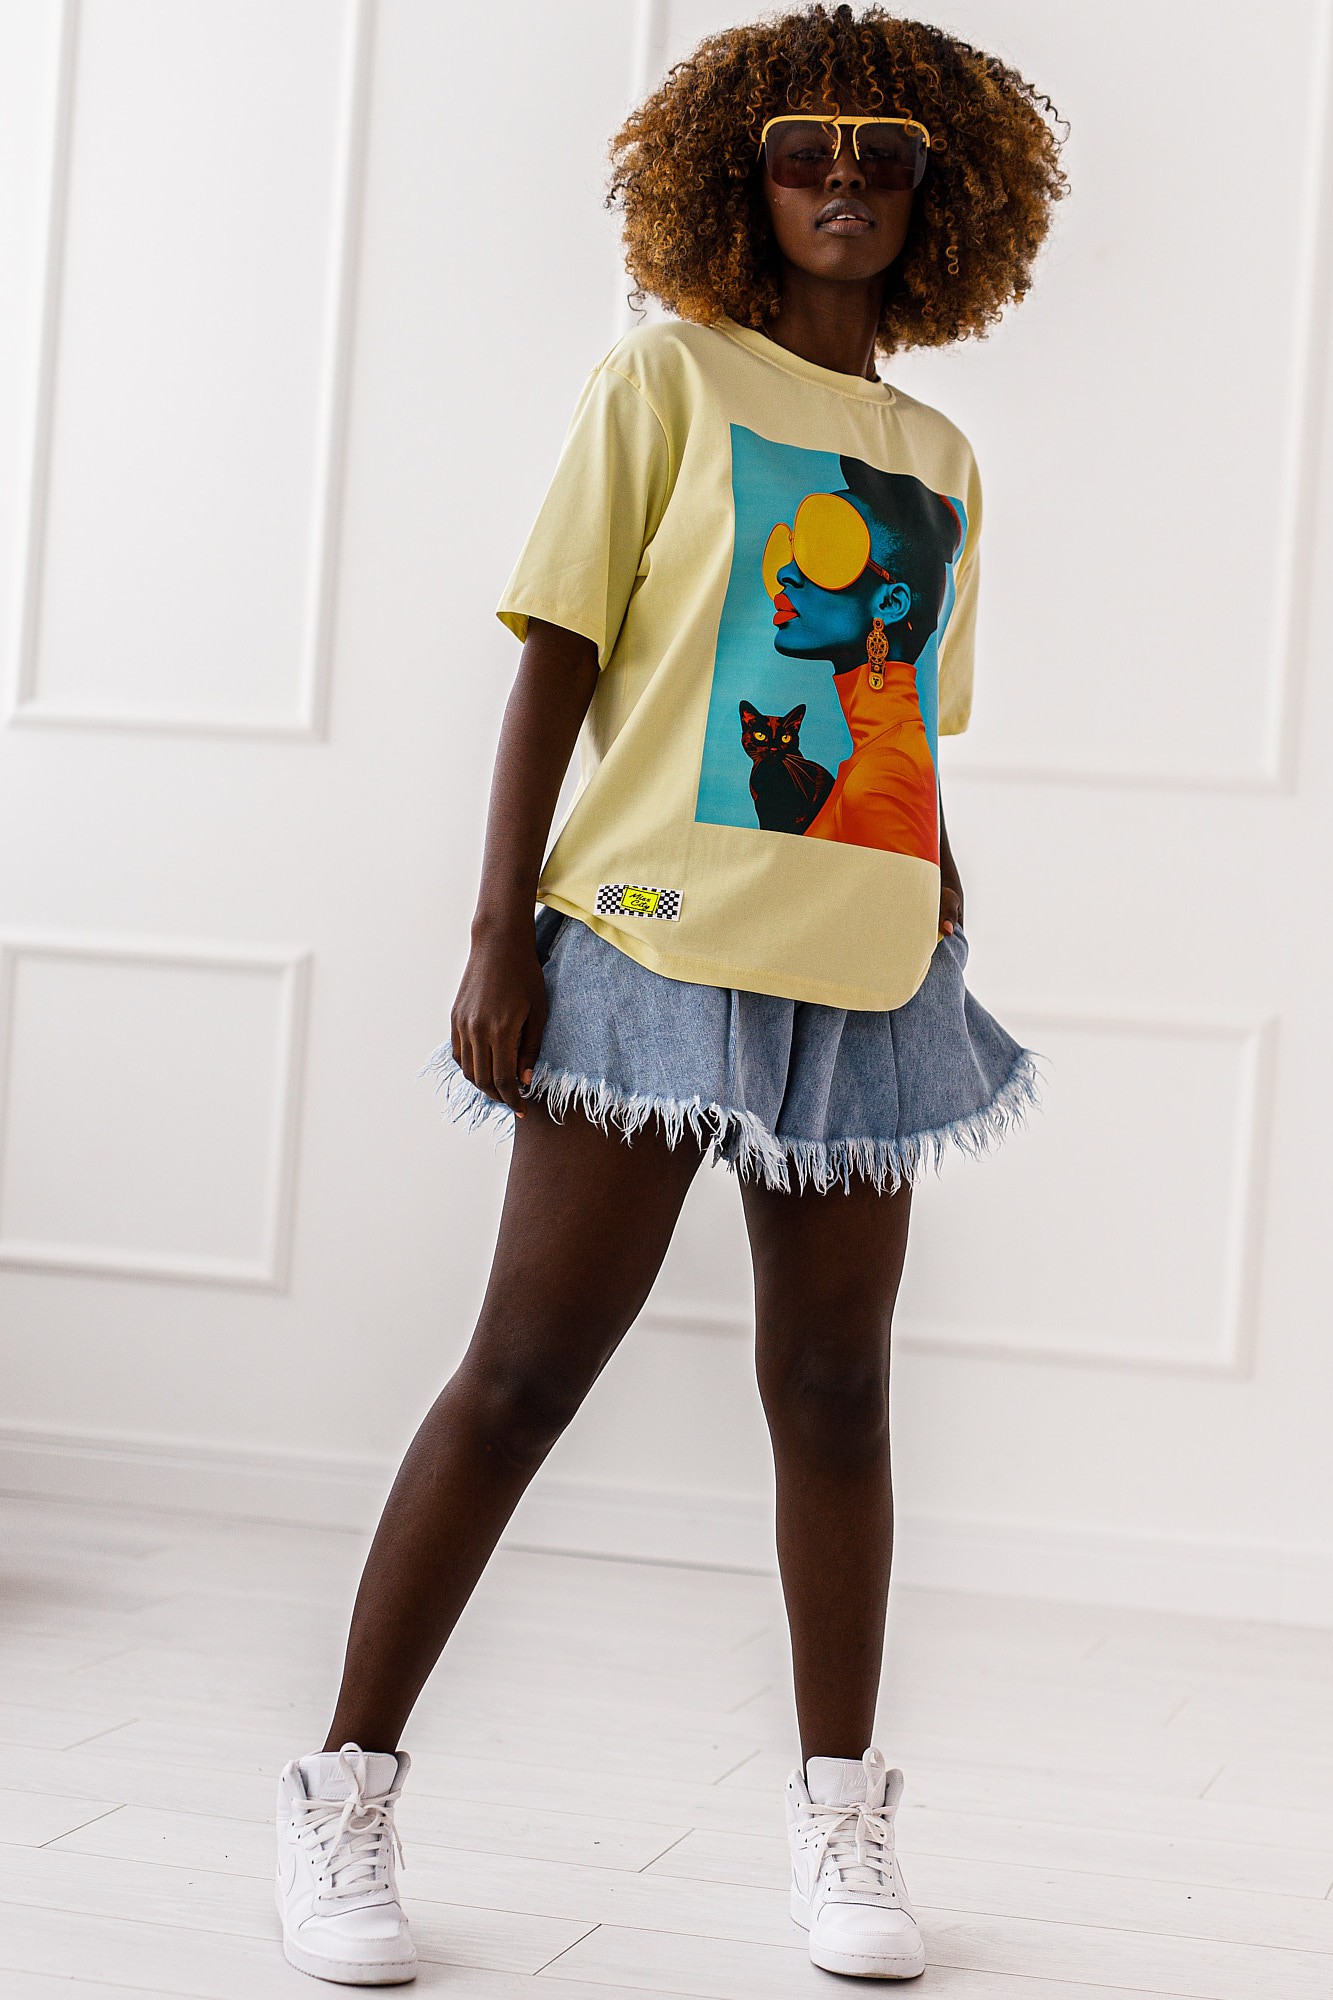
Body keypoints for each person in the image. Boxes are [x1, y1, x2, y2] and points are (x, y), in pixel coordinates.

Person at [274, 4, 1067, 1983]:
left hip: (865, 962)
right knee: (524, 1373)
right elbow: (556, 651)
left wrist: (940, 894)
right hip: (640, 937)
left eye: (886, 159)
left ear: (941, 197)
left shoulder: (937, 456)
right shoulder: (664, 379)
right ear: (740, 175)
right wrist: (497, 930)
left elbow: (898, 714)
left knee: (836, 1391)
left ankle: (840, 1820)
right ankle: (342, 1792)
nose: (842, 185)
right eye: (804, 149)